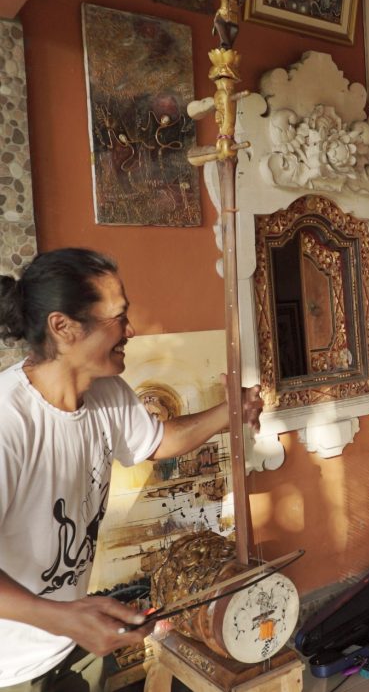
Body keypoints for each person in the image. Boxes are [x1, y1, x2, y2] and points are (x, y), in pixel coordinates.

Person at [0, 248, 263, 691]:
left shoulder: (107, 392)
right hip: (13, 667)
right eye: (117, 317)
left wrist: (231, 411)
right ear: (62, 328)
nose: (131, 329)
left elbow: (159, 441)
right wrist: (64, 618)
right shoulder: (9, 421)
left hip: (73, 644)